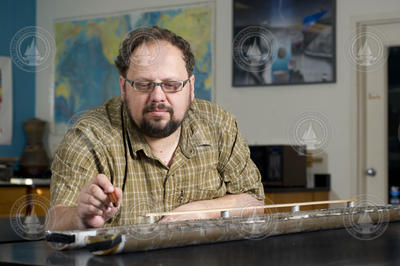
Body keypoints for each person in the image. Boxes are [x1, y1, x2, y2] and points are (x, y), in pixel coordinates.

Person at [48, 26, 264, 231]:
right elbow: (53, 222)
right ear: (124, 88)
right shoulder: (88, 136)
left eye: (171, 85)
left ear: (191, 87)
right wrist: (79, 216)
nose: (158, 97)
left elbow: (254, 201)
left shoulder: (219, 124)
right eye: (143, 85)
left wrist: (200, 211)